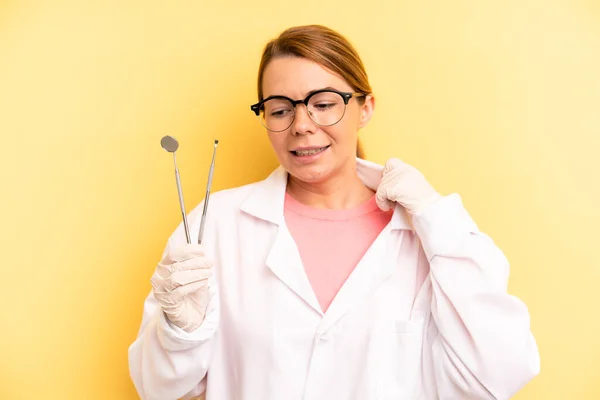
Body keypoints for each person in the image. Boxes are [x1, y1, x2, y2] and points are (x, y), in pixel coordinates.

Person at [128, 25, 540, 400]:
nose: (302, 125)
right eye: (280, 109)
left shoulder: (424, 232)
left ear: (365, 108)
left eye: (323, 104)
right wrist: (181, 333)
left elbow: (497, 375)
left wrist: (438, 220)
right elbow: (158, 391)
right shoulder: (214, 225)